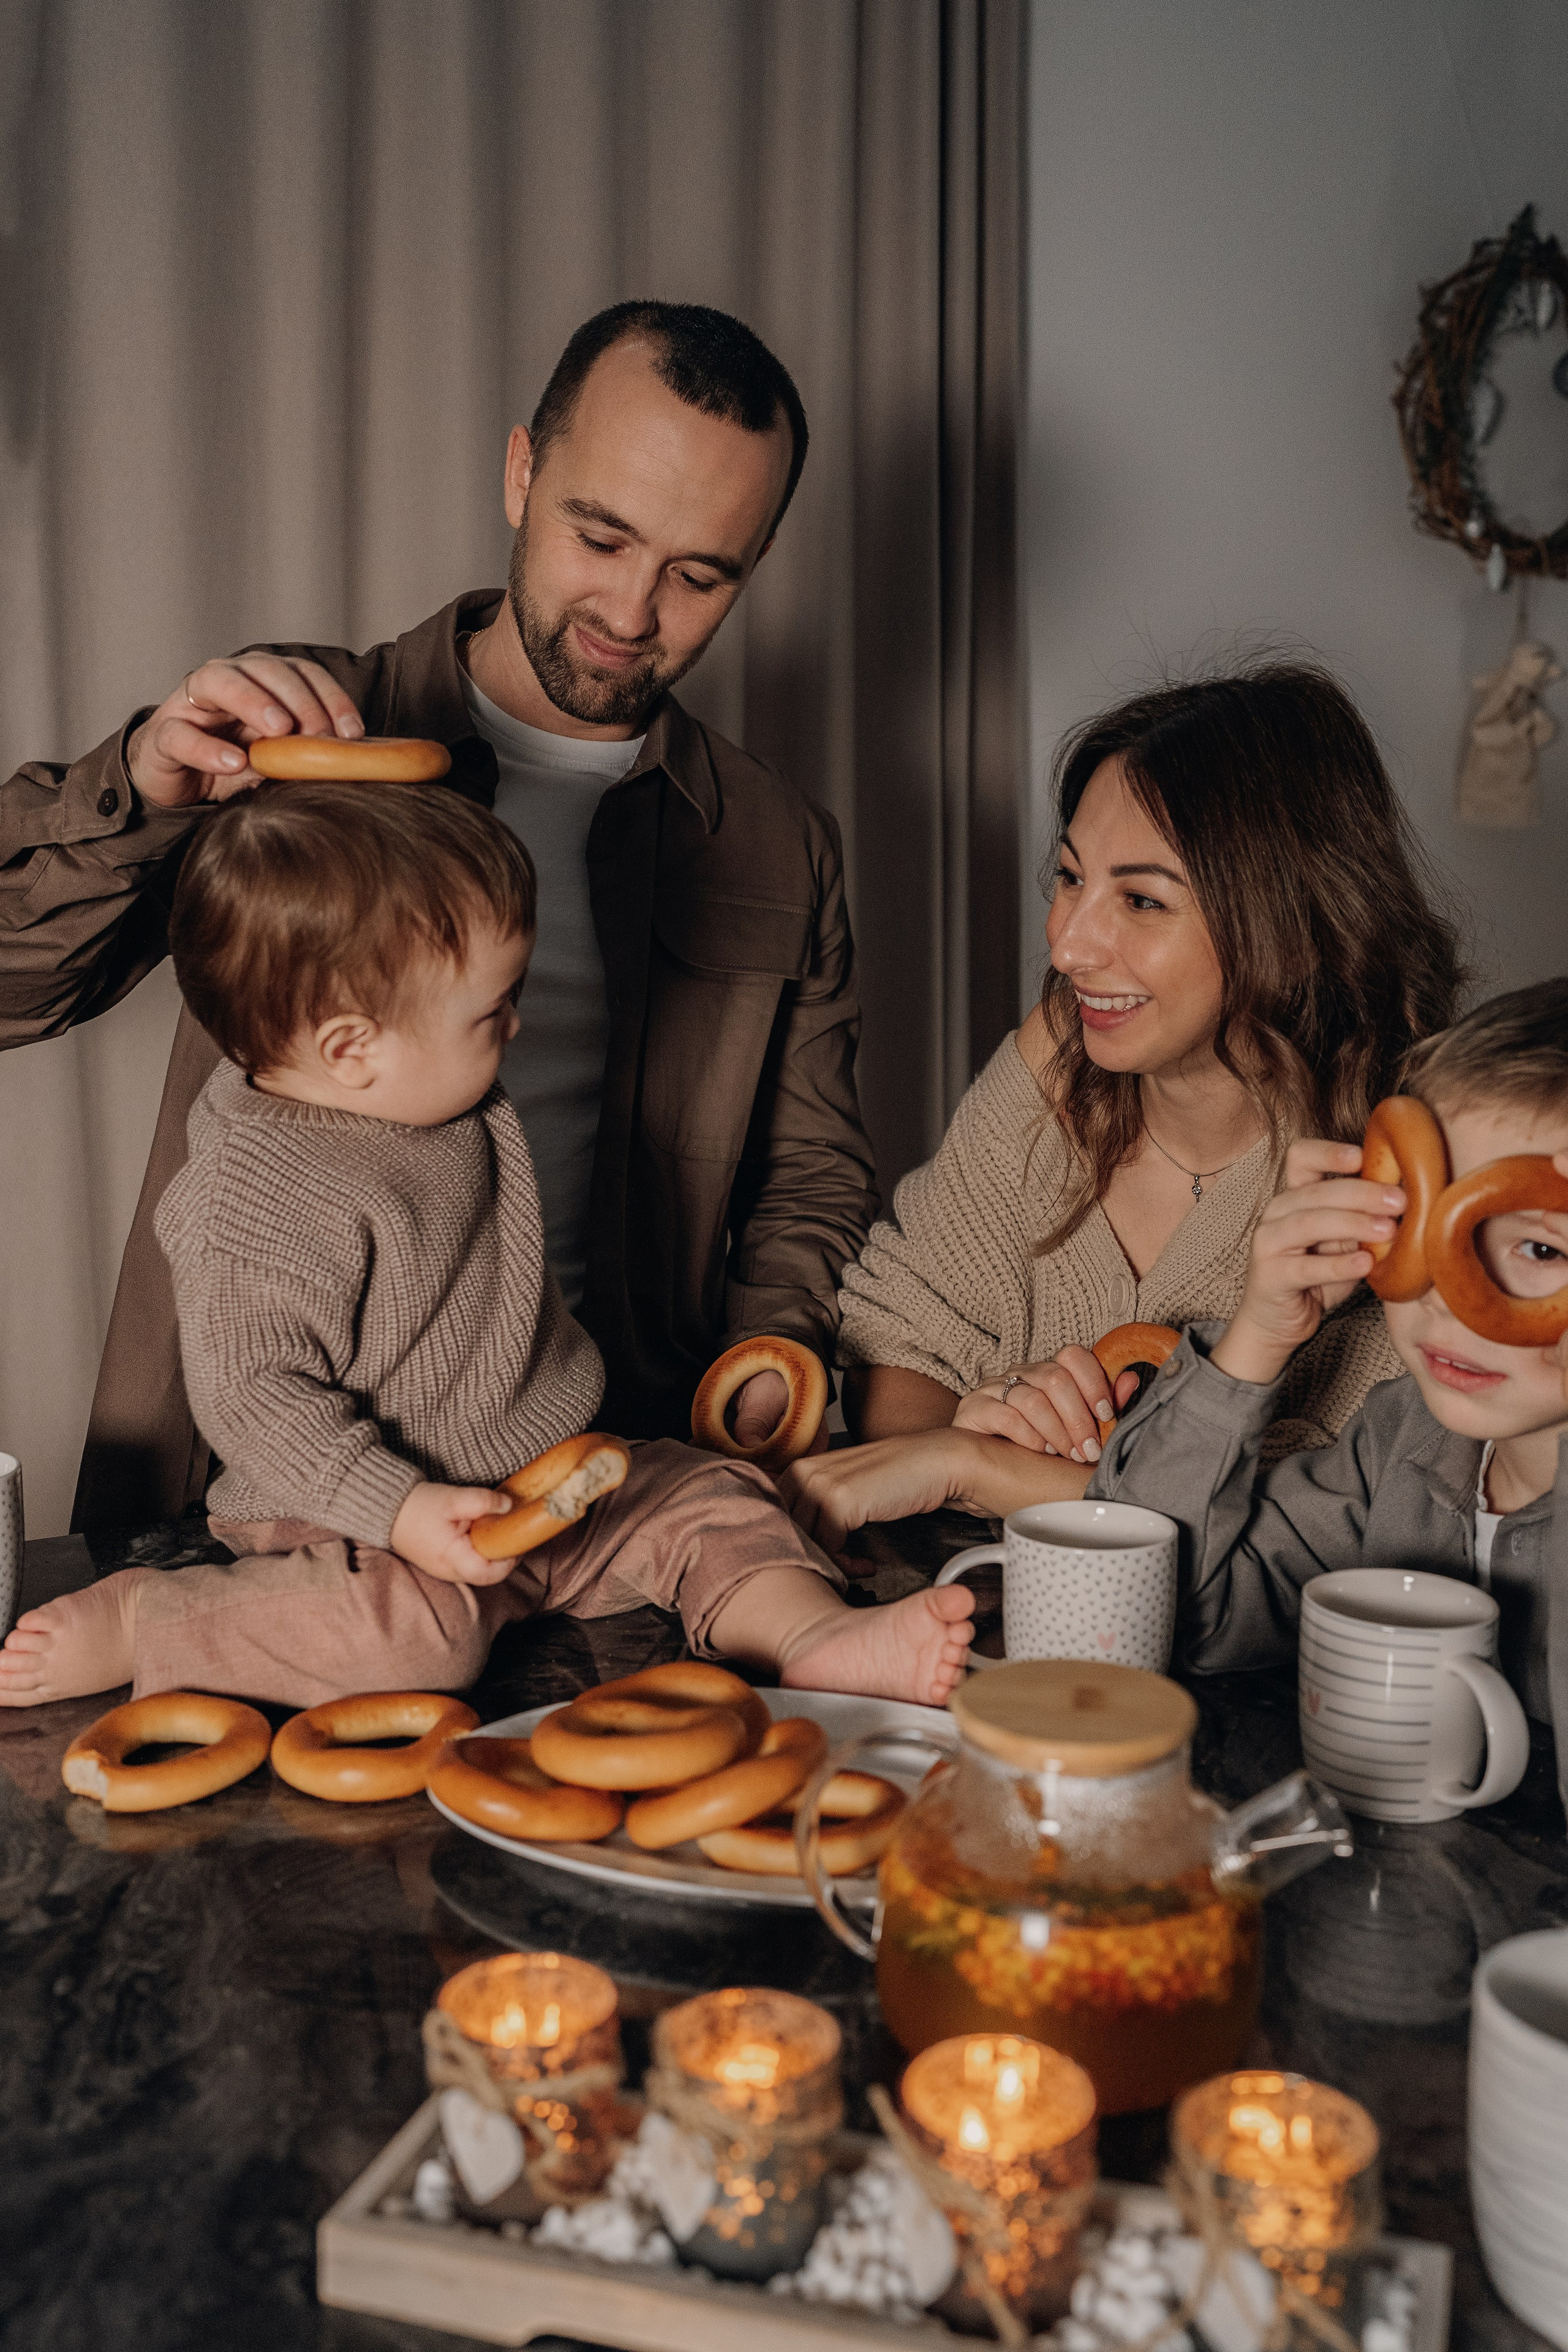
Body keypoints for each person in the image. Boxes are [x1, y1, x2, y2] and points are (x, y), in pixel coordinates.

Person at [0, 301, 876, 1535]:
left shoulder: (777, 844)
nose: (631, 611)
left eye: (697, 574)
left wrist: (763, 1368)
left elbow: (807, 1183)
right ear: (522, 473)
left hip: (597, 1494)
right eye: (602, 536)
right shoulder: (295, 738)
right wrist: (143, 786)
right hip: (258, 1493)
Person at [0, 785, 971, 1711]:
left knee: (713, 1498)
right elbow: (256, 1399)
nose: (517, 1022)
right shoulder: (253, 1197)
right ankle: (156, 1621)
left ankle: (813, 1639)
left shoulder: (426, 1089)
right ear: (351, 1049)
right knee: (418, 1642)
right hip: (352, 1514)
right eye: (492, 1010)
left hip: (540, 1480)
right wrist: (403, 1508)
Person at [782, 664, 1466, 1555]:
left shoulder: (1401, 1168)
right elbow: (896, 1344)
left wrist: (977, 1465)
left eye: (1141, 900)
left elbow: (1290, 1540)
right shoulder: (1053, 1060)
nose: (1068, 946)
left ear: (1289, 923)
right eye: (1070, 878)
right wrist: (970, 1422)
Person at [1081, 979, 1568, 1810]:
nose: (1450, 1297)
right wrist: (1256, 1340)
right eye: (1423, 1224)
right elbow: (1152, 1610)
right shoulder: (1399, 1444)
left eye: (1542, 1250)